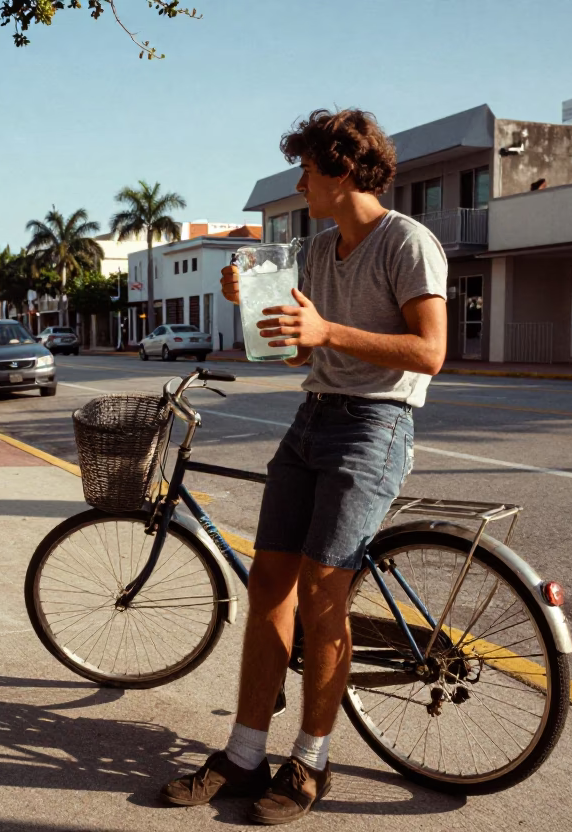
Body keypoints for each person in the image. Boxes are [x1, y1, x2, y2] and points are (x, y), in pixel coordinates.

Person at [159, 109, 448, 825]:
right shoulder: (317, 251)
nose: (299, 182)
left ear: (341, 170)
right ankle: (244, 753)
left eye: (307, 170)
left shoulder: (408, 243)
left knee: (325, 598)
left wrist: (328, 330)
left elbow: (432, 352)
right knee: (269, 587)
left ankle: (311, 761)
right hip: (312, 418)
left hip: (374, 427)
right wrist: (251, 308)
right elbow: (292, 353)